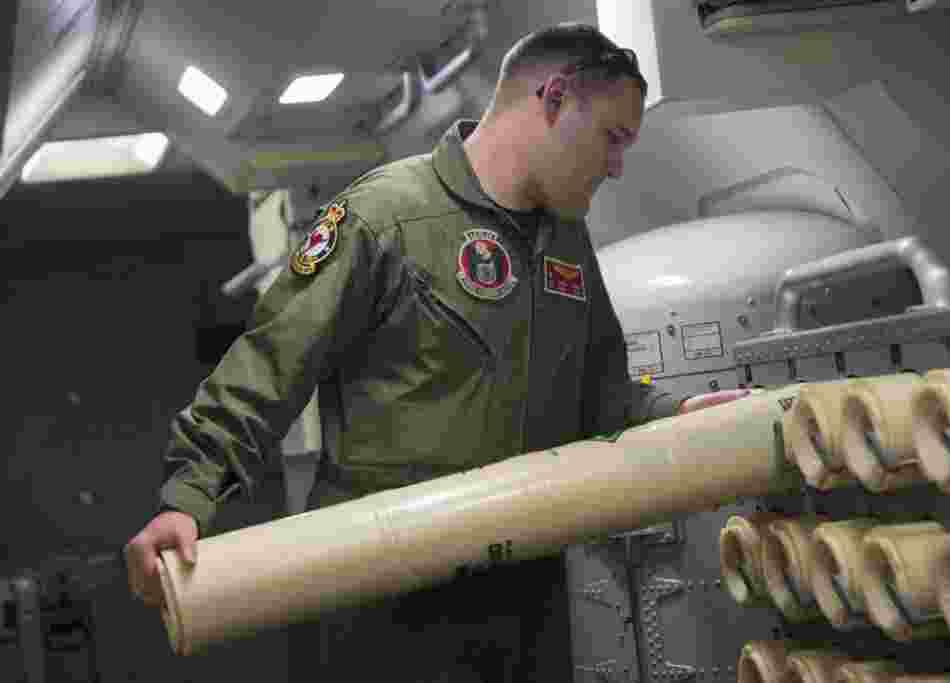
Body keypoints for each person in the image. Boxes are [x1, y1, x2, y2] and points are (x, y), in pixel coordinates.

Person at [124, 22, 751, 682]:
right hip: (380, 604)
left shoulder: (566, 244)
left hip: (522, 600)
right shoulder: (386, 217)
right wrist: (186, 500)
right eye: (613, 137)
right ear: (556, 99)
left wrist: (676, 414)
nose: (619, 164)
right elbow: (265, 370)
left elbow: (602, 394)